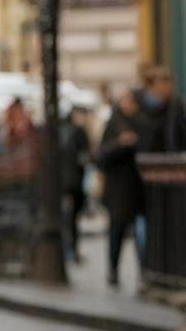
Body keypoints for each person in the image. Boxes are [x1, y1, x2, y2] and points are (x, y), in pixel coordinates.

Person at [96, 85, 146, 287]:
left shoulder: (142, 123)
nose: (128, 104)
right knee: (117, 231)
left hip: (140, 188)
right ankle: (113, 270)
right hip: (118, 189)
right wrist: (120, 143)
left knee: (141, 233)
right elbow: (101, 156)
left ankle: (145, 272)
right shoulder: (114, 124)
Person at [58, 105, 92, 263]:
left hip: (62, 183)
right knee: (72, 219)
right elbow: (84, 157)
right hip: (74, 183)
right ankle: (71, 250)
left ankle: (67, 249)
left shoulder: (59, 131)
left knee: (66, 217)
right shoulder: (78, 132)